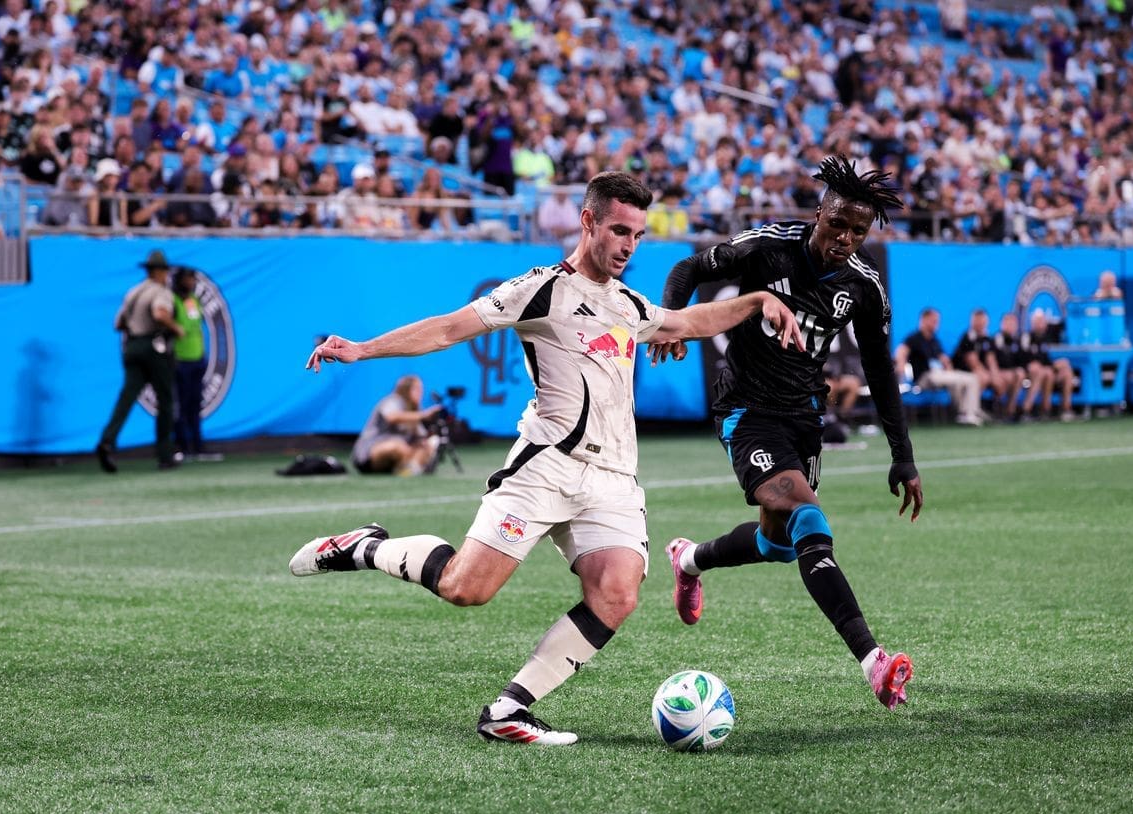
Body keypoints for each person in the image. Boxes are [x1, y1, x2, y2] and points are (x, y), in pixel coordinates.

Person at [292, 171, 803, 745]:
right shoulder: (540, 289)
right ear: (587, 223)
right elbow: (448, 329)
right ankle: (365, 546)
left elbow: (685, 321)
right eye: (618, 231)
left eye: (637, 235)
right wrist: (363, 349)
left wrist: (756, 300)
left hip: (612, 478)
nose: (629, 245)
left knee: (618, 592)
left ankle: (509, 709)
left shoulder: (629, 303)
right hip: (546, 468)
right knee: (466, 588)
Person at [650, 157, 921, 712]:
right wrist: (669, 320)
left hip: (803, 417)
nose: (844, 239)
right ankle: (874, 662)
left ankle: (689, 560)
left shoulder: (863, 284)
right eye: (836, 224)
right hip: (747, 408)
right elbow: (687, 268)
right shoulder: (767, 246)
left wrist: (903, 456)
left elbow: (880, 371)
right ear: (818, 212)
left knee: (778, 542)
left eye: (857, 231)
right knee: (809, 518)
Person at [95, 249, 187, 473]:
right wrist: (176, 328)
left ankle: (107, 441)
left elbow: (118, 324)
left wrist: (136, 329)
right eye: (165, 271)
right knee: (164, 400)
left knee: (127, 397)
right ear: (159, 272)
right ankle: (165, 454)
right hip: (154, 347)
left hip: (132, 346)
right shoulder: (160, 292)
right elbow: (160, 314)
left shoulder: (133, 292)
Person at [896, 307, 986, 426]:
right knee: (967, 379)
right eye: (934, 320)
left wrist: (949, 367)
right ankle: (968, 414)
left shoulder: (934, 340)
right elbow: (901, 351)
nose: (936, 324)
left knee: (966, 380)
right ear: (924, 319)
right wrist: (901, 364)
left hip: (938, 375)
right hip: (924, 378)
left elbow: (943, 358)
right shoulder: (914, 338)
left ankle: (966, 413)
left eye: (937, 321)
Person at [172, 266, 220, 461]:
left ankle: (198, 447)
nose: (192, 282)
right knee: (181, 406)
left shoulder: (193, 301)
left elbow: (195, 326)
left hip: (197, 359)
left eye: (193, 279)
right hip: (179, 360)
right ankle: (182, 447)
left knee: (195, 405)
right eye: (188, 279)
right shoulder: (172, 301)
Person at [351, 375, 443, 475]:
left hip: (399, 455)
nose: (420, 393)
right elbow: (391, 417)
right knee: (397, 446)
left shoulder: (415, 410)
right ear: (406, 389)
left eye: (421, 389)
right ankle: (410, 466)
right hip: (368, 455)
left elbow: (420, 436)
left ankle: (408, 471)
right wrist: (423, 415)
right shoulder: (393, 400)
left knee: (430, 443)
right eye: (417, 389)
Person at [953, 308, 1013, 419]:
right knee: (983, 378)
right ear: (973, 321)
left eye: (983, 320)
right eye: (978, 320)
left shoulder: (987, 338)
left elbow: (991, 359)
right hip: (963, 371)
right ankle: (967, 410)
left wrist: (995, 375)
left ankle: (998, 411)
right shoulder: (968, 336)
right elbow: (973, 362)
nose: (981, 323)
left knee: (1002, 379)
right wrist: (990, 376)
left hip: (980, 372)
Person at [1027, 310, 1077, 421]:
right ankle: (1043, 410)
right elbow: (1030, 362)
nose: (1040, 324)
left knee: (1066, 370)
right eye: (1038, 321)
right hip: (1035, 374)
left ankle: (1066, 409)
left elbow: (1046, 361)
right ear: (1032, 323)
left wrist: (1056, 365)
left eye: (1042, 321)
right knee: (1047, 373)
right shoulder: (1028, 338)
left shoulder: (1047, 338)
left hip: (1048, 369)